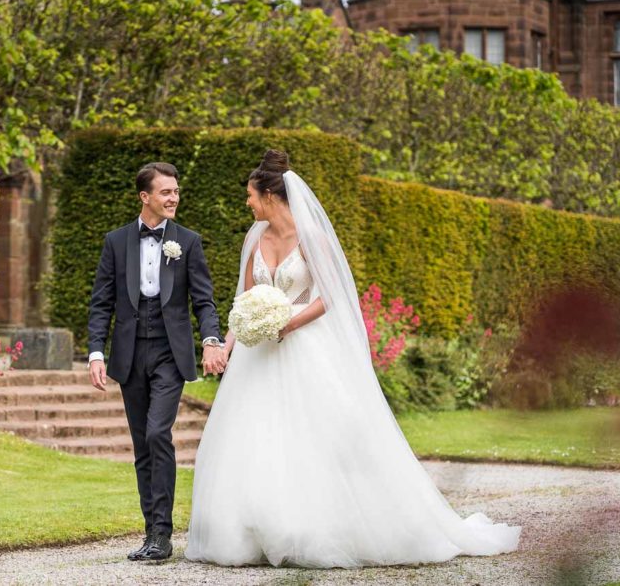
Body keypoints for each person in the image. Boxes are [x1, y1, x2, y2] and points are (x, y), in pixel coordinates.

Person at [185, 149, 521, 568]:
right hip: (260, 358)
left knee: (318, 438)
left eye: (251, 196)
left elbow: (331, 296)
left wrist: (289, 322)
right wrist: (228, 344)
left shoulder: (312, 240)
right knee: (255, 437)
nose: (248, 203)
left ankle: (320, 528)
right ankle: (252, 533)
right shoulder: (255, 239)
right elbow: (245, 300)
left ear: (270, 196)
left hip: (305, 346)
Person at [87, 161, 227, 562]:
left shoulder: (189, 241)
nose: (174, 198)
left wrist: (212, 339)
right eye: (166, 192)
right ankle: (152, 533)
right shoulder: (115, 242)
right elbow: (101, 303)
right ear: (144, 197)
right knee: (141, 446)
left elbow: (203, 299)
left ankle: (163, 535)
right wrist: (96, 351)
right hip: (130, 354)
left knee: (156, 434)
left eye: (177, 191)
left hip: (170, 352)